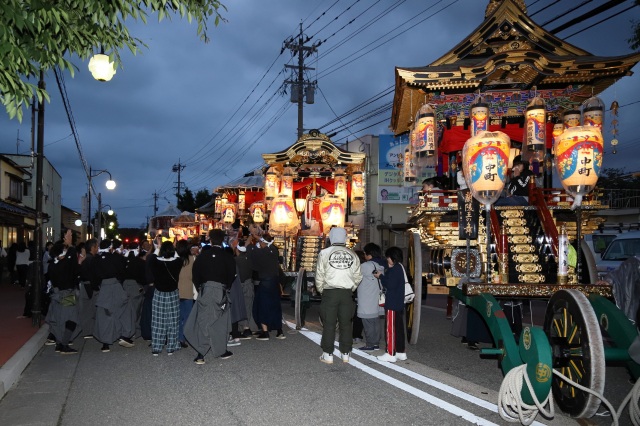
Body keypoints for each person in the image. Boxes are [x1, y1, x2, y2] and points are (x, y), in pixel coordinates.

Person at [185, 229, 236, 365]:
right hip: (221, 289)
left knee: (204, 319)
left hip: (206, 288)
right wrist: (227, 287)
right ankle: (219, 350)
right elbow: (232, 274)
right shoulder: (227, 256)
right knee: (220, 321)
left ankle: (201, 353)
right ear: (223, 240)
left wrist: (200, 287)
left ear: (210, 240)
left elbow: (195, 274)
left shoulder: (203, 256)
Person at [315, 227, 362, 364]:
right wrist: (351, 288)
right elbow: (358, 276)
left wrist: (321, 290)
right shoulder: (352, 254)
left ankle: (328, 354)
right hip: (347, 293)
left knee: (329, 324)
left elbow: (319, 275)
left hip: (330, 292)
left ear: (331, 237)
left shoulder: (324, 253)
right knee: (346, 323)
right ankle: (346, 353)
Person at [93, 238, 135, 353]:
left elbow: (93, 275)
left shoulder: (96, 259)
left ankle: (105, 343)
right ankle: (124, 335)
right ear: (111, 247)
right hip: (115, 285)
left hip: (103, 287)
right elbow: (122, 271)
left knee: (105, 315)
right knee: (124, 310)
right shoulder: (116, 257)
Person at [373, 246, 408, 362]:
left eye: (388, 257)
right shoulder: (400, 268)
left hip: (392, 303)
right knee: (398, 329)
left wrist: (381, 276)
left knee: (390, 329)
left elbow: (390, 285)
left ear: (393, 257)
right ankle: (400, 352)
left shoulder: (394, 270)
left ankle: (390, 353)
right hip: (398, 303)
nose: (387, 260)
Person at [147, 240, 183, 356]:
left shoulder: (155, 262)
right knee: (173, 320)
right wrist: (174, 247)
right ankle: (171, 347)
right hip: (172, 294)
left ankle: (156, 347)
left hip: (159, 294)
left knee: (158, 321)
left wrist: (157, 247)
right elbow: (178, 256)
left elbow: (151, 258)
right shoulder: (178, 262)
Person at [45, 240, 80, 354]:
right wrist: (70, 246)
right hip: (67, 294)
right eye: (64, 250)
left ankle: (59, 343)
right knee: (71, 319)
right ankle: (64, 344)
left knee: (59, 320)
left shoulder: (52, 265)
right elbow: (73, 263)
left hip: (56, 294)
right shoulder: (64, 265)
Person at [249, 234, 285, 340]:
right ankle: (279, 331)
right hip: (275, 281)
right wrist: (256, 236)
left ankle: (265, 332)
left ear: (263, 242)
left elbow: (251, 255)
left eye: (260, 242)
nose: (259, 244)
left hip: (265, 282)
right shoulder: (274, 250)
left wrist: (253, 243)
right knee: (275, 306)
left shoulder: (262, 252)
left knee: (262, 306)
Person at [357, 243, 386, 351]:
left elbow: (355, 276)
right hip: (376, 298)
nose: (364, 255)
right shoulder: (380, 266)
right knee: (375, 321)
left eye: (365, 253)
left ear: (369, 254)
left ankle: (370, 344)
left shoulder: (365, 266)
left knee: (367, 322)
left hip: (366, 298)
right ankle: (375, 343)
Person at [176, 239, 197, 348]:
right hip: (188, 290)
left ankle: (179, 338)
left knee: (178, 317)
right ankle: (185, 337)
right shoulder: (192, 259)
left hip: (176, 290)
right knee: (187, 316)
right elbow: (194, 276)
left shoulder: (175, 259)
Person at [77, 238, 99, 338]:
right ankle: (88, 330)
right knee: (89, 310)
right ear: (92, 247)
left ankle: (87, 330)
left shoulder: (87, 259)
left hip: (85, 286)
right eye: (96, 246)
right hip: (89, 287)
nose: (98, 248)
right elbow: (93, 275)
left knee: (86, 310)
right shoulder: (92, 259)